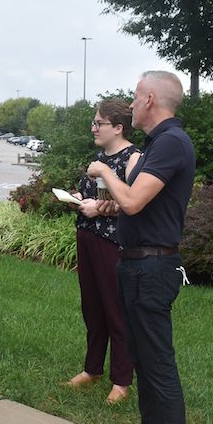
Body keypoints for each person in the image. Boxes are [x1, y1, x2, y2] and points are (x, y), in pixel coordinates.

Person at [87, 71, 196, 424]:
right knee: (145, 364)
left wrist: (104, 172)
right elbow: (138, 207)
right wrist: (111, 204)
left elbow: (134, 200)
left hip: (153, 269)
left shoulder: (171, 142)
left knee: (159, 367)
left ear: (150, 99)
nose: (130, 105)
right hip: (137, 265)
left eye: (134, 97)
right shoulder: (158, 144)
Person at [66, 100, 140, 405]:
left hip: (113, 243)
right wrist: (77, 199)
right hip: (87, 236)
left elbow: (136, 204)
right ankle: (92, 369)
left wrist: (103, 210)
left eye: (100, 123)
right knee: (92, 307)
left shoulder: (133, 159)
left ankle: (122, 381)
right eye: (94, 123)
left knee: (115, 310)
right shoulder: (98, 159)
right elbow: (93, 194)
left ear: (118, 128)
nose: (94, 128)